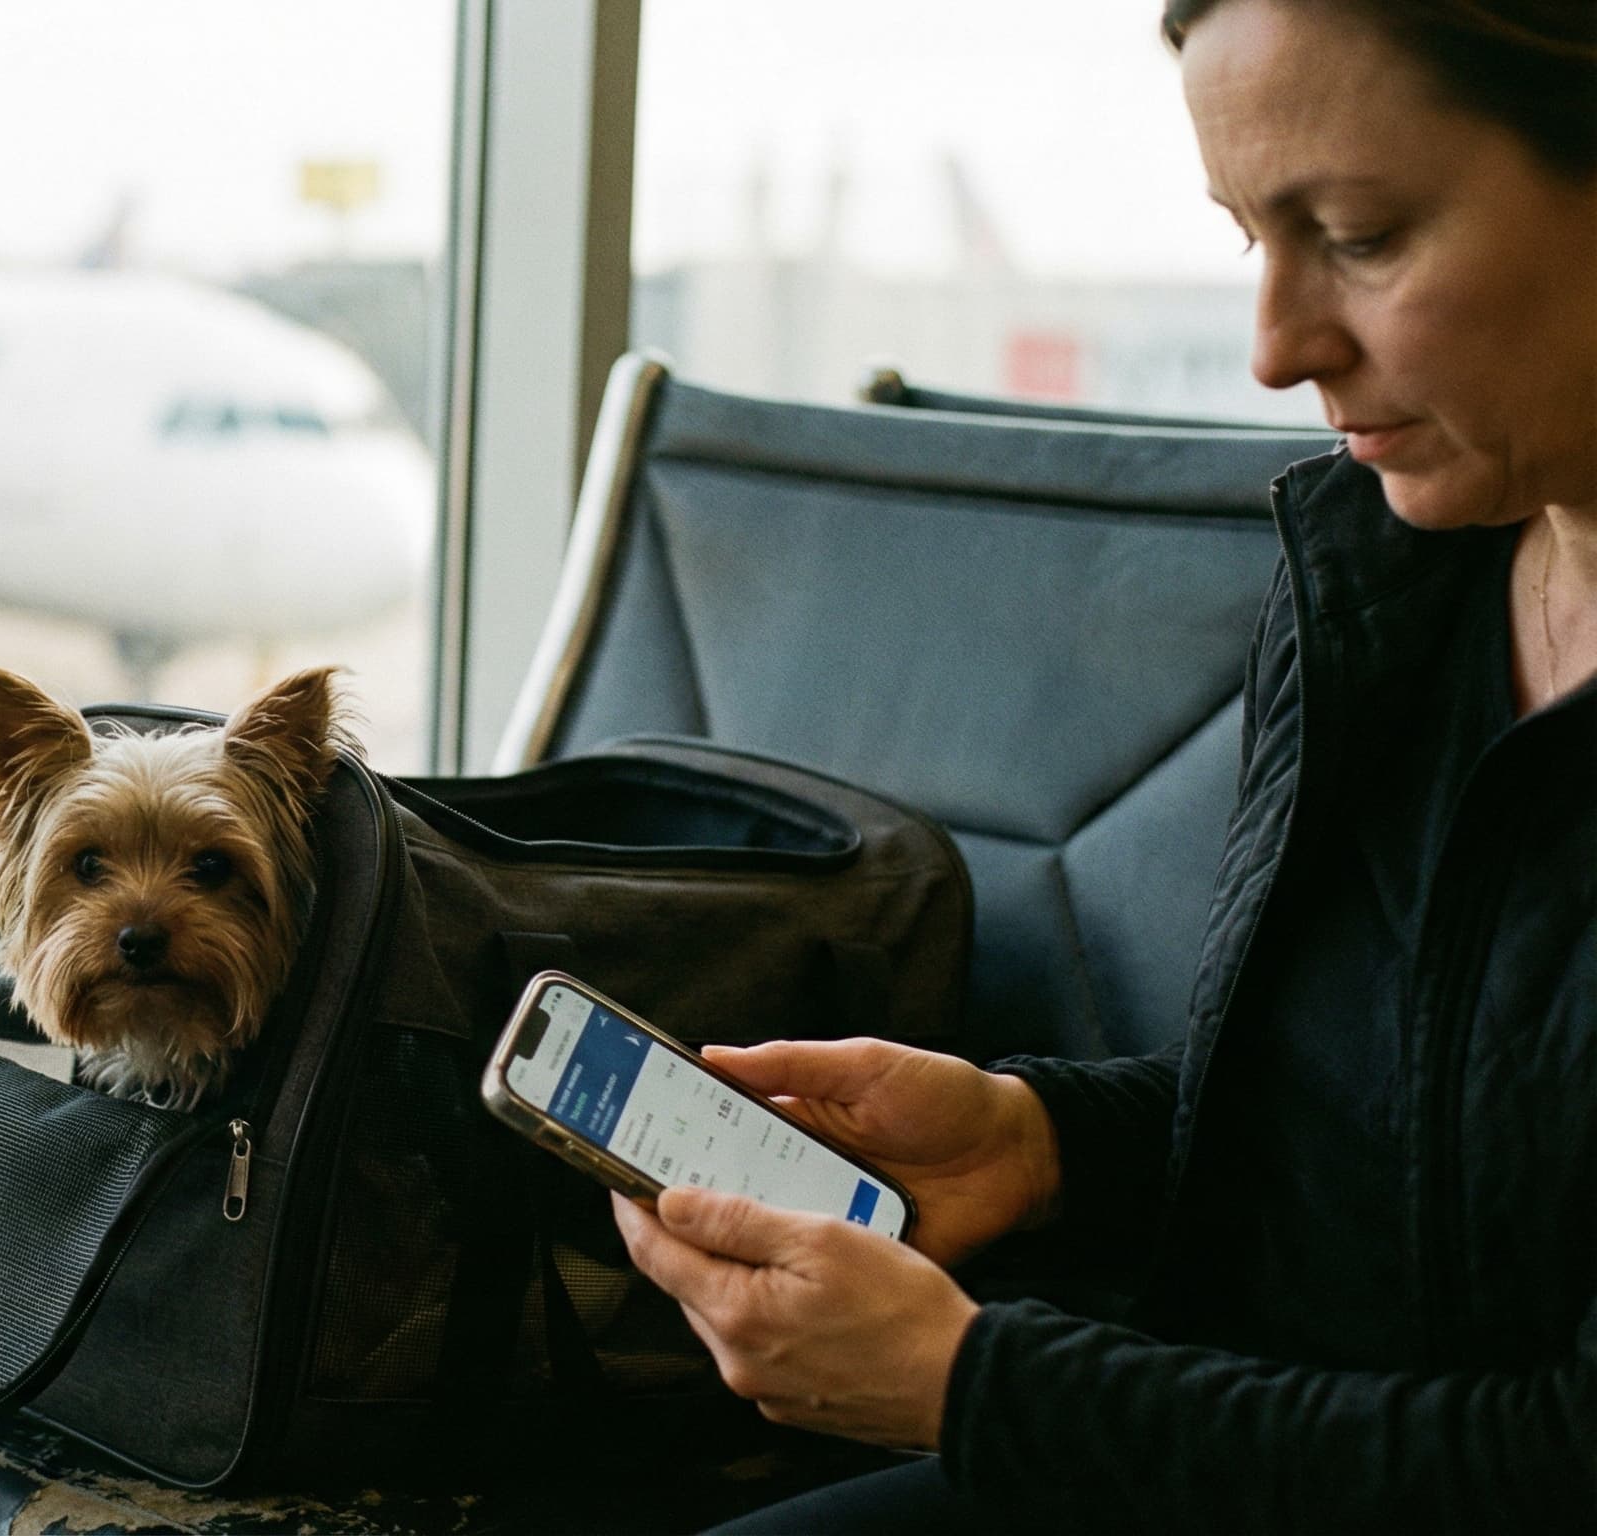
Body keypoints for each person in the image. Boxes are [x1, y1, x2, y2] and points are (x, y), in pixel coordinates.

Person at [612, 1, 1596, 1528]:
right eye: (1247, 235)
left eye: (1359, 233)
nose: (1277, 347)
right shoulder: (1401, 581)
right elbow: (1411, 1137)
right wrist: (1046, 1141)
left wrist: (981, 1391)